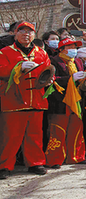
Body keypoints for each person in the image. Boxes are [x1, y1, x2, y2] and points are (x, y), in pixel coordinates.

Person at [0, 22, 54, 178]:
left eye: (29, 32)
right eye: (22, 31)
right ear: (15, 34)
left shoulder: (41, 53)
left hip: (36, 99)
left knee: (35, 135)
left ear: (34, 35)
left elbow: (48, 71)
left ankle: (35, 163)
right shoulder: (5, 52)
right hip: (14, 101)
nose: (26, 34)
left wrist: (50, 79)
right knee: (10, 136)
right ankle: (4, 165)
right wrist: (18, 68)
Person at [44, 37, 86, 168]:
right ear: (61, 49)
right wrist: (70, 78)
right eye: (70, 47)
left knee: (76, 129)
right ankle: (55, 159)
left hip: (77, 100)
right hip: (60, 101)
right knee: (58, 131)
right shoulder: (53, 61)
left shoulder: (78, 61)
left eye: (75, 47)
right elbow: (52, 79)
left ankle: (76, 156)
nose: (74, 50)